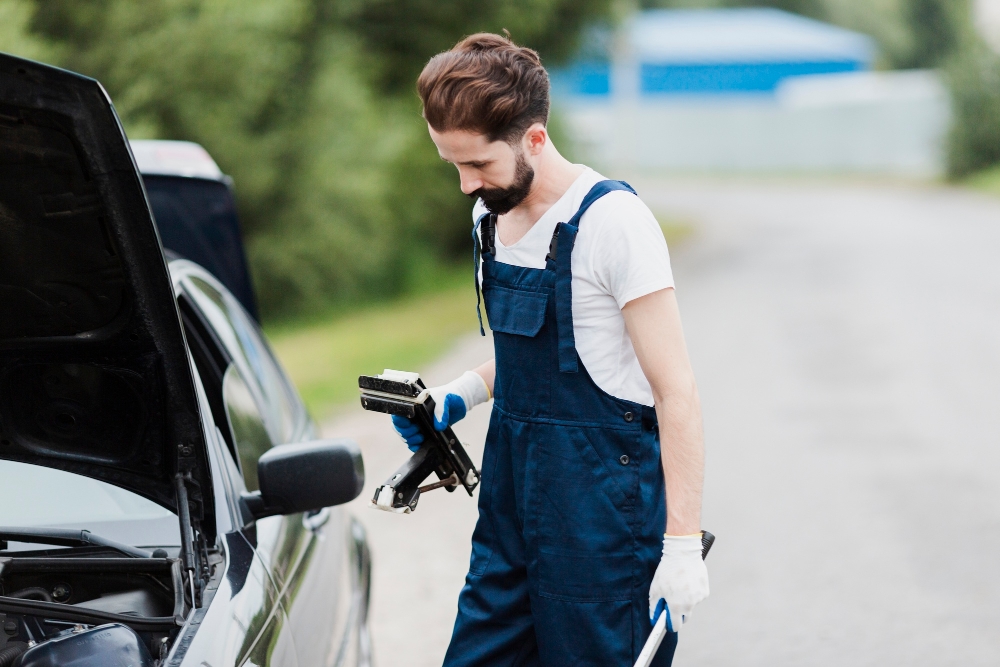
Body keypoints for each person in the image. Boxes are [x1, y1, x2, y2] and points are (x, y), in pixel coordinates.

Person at [391, 32, 709, 666]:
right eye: (453, 164)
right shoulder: (490, 215)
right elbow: (544, 356)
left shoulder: (614, 224)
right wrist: (463, 393)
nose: (466, 184)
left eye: (479, 164)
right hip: (510, 513)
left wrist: (679, 545)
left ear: (534, 138)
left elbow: (676, 391)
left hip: (601, 524)